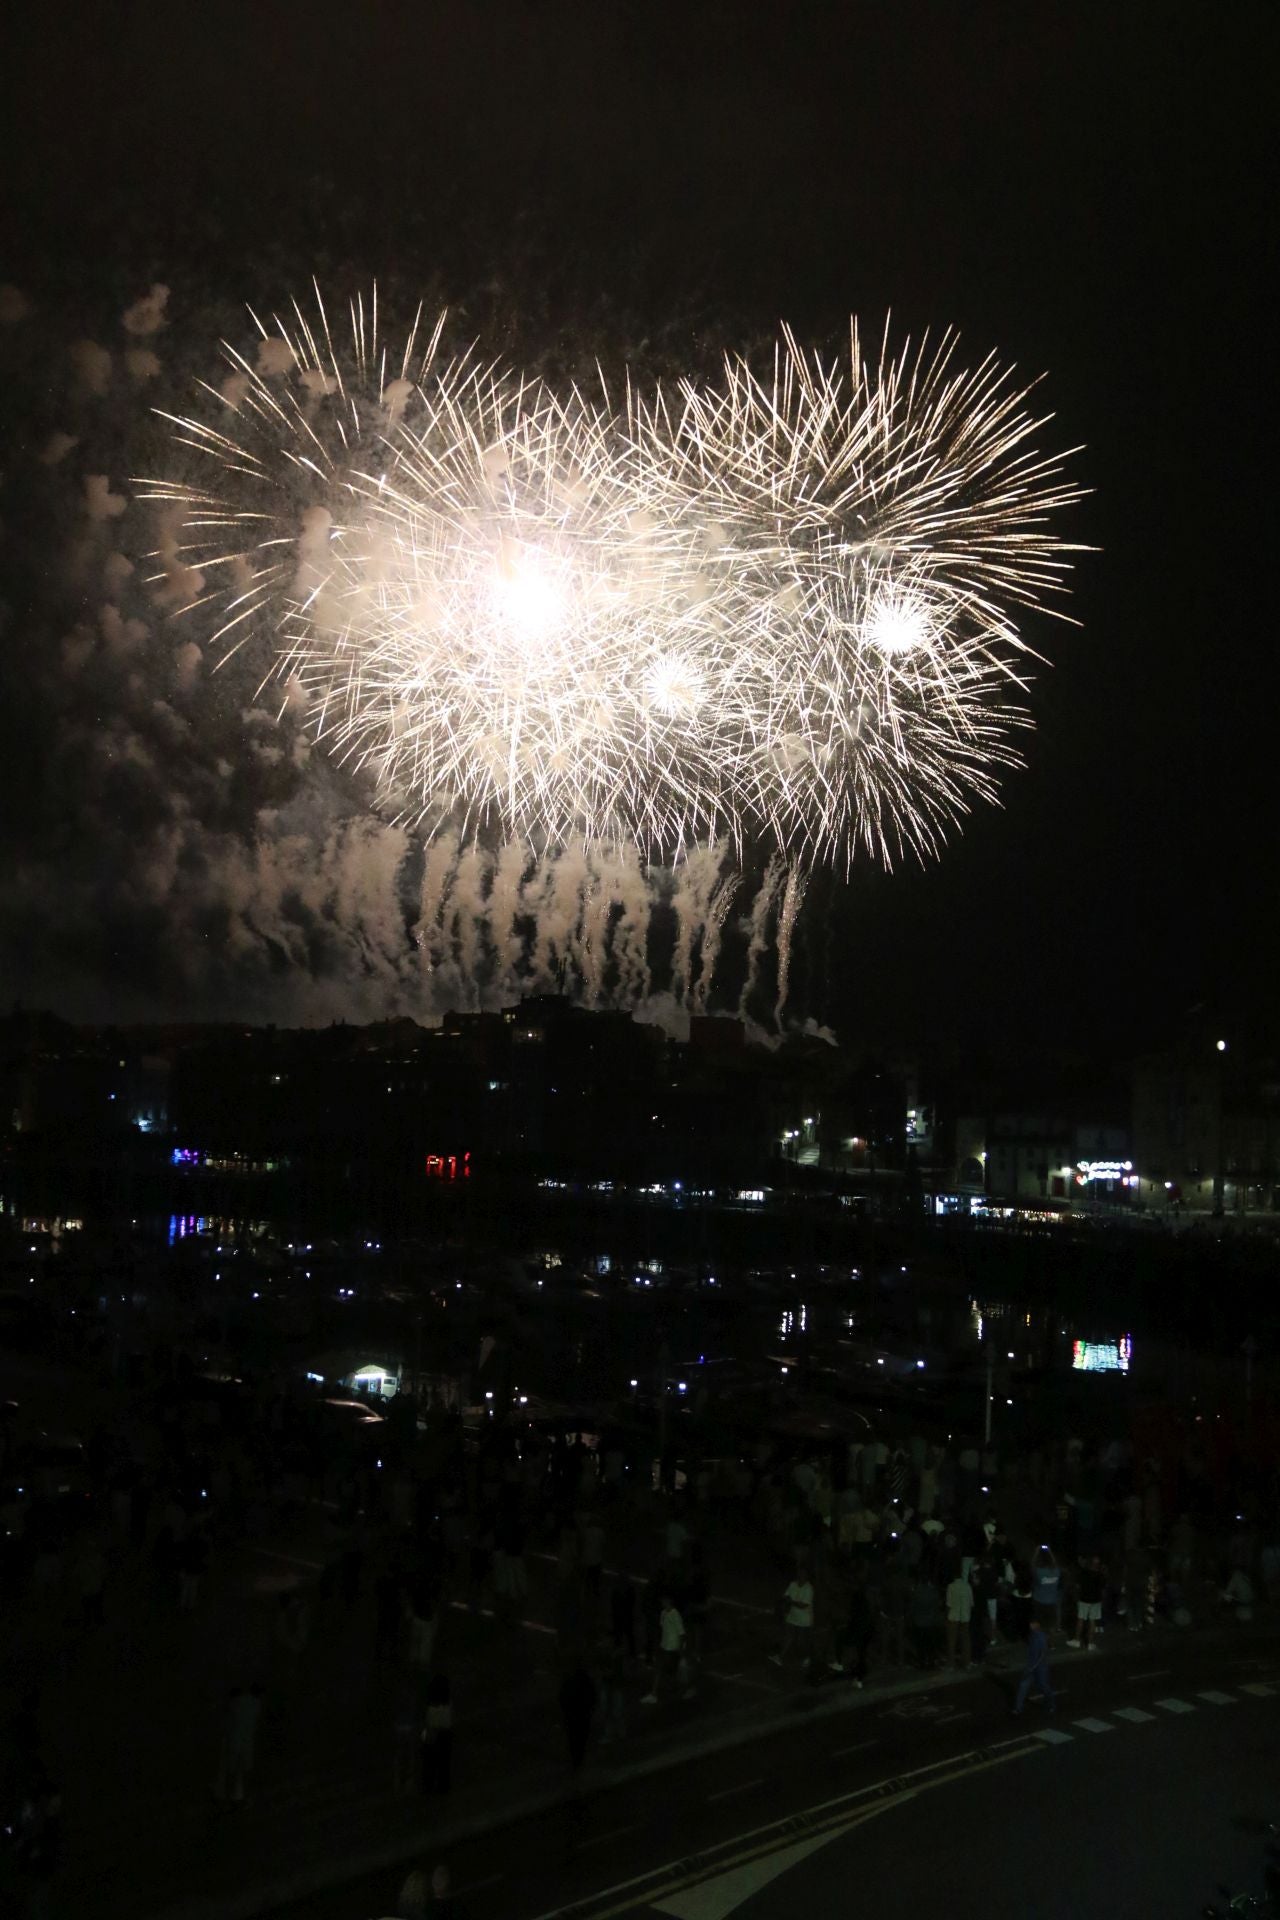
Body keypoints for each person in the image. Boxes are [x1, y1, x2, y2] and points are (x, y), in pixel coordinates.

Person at [215, 1682, 264, 1803]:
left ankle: (228, 1795)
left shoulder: (236, 1704)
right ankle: (242, 1795)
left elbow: (226, 1724)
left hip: (235, 1741)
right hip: (246, 1741)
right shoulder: (255, 1704)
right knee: (245, 1768)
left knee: (232, 1769)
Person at [769, 1564, 815, 1671]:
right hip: (792, 1616)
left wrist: (791, 1602)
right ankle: (779, 1656)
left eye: (803, 1574)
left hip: (804, 1620)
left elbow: (804, 1605)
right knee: (788, 1636)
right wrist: (784, 1606)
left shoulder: (809, 1589)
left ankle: (807, 1658)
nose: (801, 1575)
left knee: (801, 1641)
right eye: (799, 1573)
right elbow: (785, 1596)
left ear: (807, 1576)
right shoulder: (792, 1584)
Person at [558, 1660, 597, 1776]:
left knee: (573, 1740)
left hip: (572, 1715)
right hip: (583, 1715)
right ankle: (578, 1760)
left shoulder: (569, 1682)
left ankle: (576, 1761)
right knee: (581, 1740)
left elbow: (563, 1697)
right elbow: (592, 1697)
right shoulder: (587, 1682)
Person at [1012, 1618, 1055, 1716]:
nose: (1031, 1626)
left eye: (1033, 1624)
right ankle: (1018, 1708)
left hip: (1040, 1668)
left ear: (1037, 1624)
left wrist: (1033, 1666)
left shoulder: (1041, 1636)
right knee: (1023, 1686)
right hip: (1031, 1666)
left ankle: (1051, 1704)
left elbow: (1042, 1654)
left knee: (1044, 1686)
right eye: (1030, 1624)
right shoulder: (1032, 1635)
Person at [421, 1674, 453, 1794]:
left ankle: (428, 1786)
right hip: (445, 1732)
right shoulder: (447, 1702)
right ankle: (443, 1787)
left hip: (432, 1731)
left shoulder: (431, 1704)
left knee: (430, 1762)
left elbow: (428, 1720)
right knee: (444, 1762)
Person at [1069, 1554, 1105, 1649]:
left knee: (1081, 1619)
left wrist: (1077, 1597)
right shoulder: (1100, 1574)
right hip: (1096, 1600)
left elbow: (1077, 1586)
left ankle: (1077, 1640)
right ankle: (1090, 1643)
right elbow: (1103, 1589)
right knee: (1092, 1621)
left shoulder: (1083, 1573)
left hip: (1084, 1599)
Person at [944, 1567, 974, 1668]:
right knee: (966, 1640)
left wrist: (946, 1617)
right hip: (965, 1616)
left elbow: (949, 1604)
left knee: (952, 1640)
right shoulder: (967, 1586)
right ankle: (967, 1662)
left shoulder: (950, 1587)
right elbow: (971, 1603)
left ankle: (951, 1664)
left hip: (953, 1616)